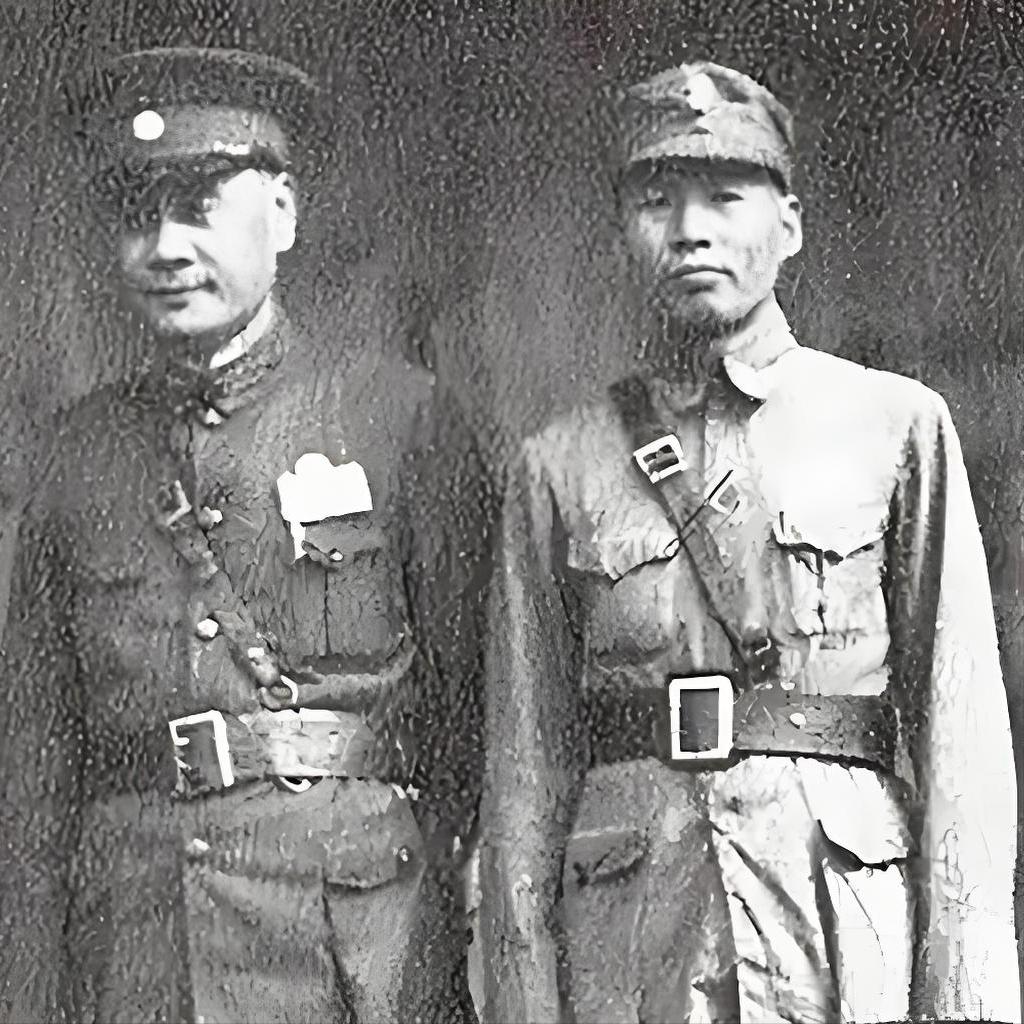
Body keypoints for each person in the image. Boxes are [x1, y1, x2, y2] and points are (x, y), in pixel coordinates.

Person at [477, 60, 1020, 1024]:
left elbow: (961, 733)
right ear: (621, 231)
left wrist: (968, 997)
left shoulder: (895, 425)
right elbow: (526, 773)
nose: (691, 230)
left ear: (790, 224)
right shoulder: (557, 464)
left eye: (726, 197)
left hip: (833, 929)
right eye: (657, 201)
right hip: (632, 940)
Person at [0, 46, 484, 1023]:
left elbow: (475, 719)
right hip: (140, 955)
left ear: (284, 213)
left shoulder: (401, 418)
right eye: (138, 216)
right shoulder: (75, 455)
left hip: (351, 953)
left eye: (198, 206)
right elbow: (35, 772)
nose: (166, 247)